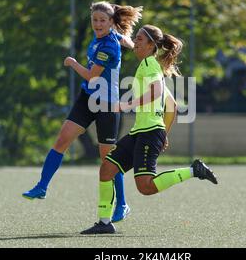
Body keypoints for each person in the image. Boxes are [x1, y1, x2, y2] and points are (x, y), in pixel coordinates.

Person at [80, 24, 218, 234]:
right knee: (107, 169)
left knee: (145, 187)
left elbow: (157, 92)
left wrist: (128, 105)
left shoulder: (150, 65)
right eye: (136, 38)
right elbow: (171, 106)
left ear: (151, 45)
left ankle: (194, 170)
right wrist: (164, 134)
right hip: (141, 132)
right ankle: (104, 223)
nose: (136, 42)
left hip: (148, 133)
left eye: (140, 40)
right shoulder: (147, 63)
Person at [23, 1, 143, 223]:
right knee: (62, 140)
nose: (97, 24)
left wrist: (73, 63)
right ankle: (42, 186)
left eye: (102, 20)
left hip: (106, 105)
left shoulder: (108, 46)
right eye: (95, 20)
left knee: (108, 161)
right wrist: (130, 42)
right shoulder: (111, 36)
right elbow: (124, 39)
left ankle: (123, 204)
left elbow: (92, 76)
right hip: (87, 99)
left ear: (110, 23)